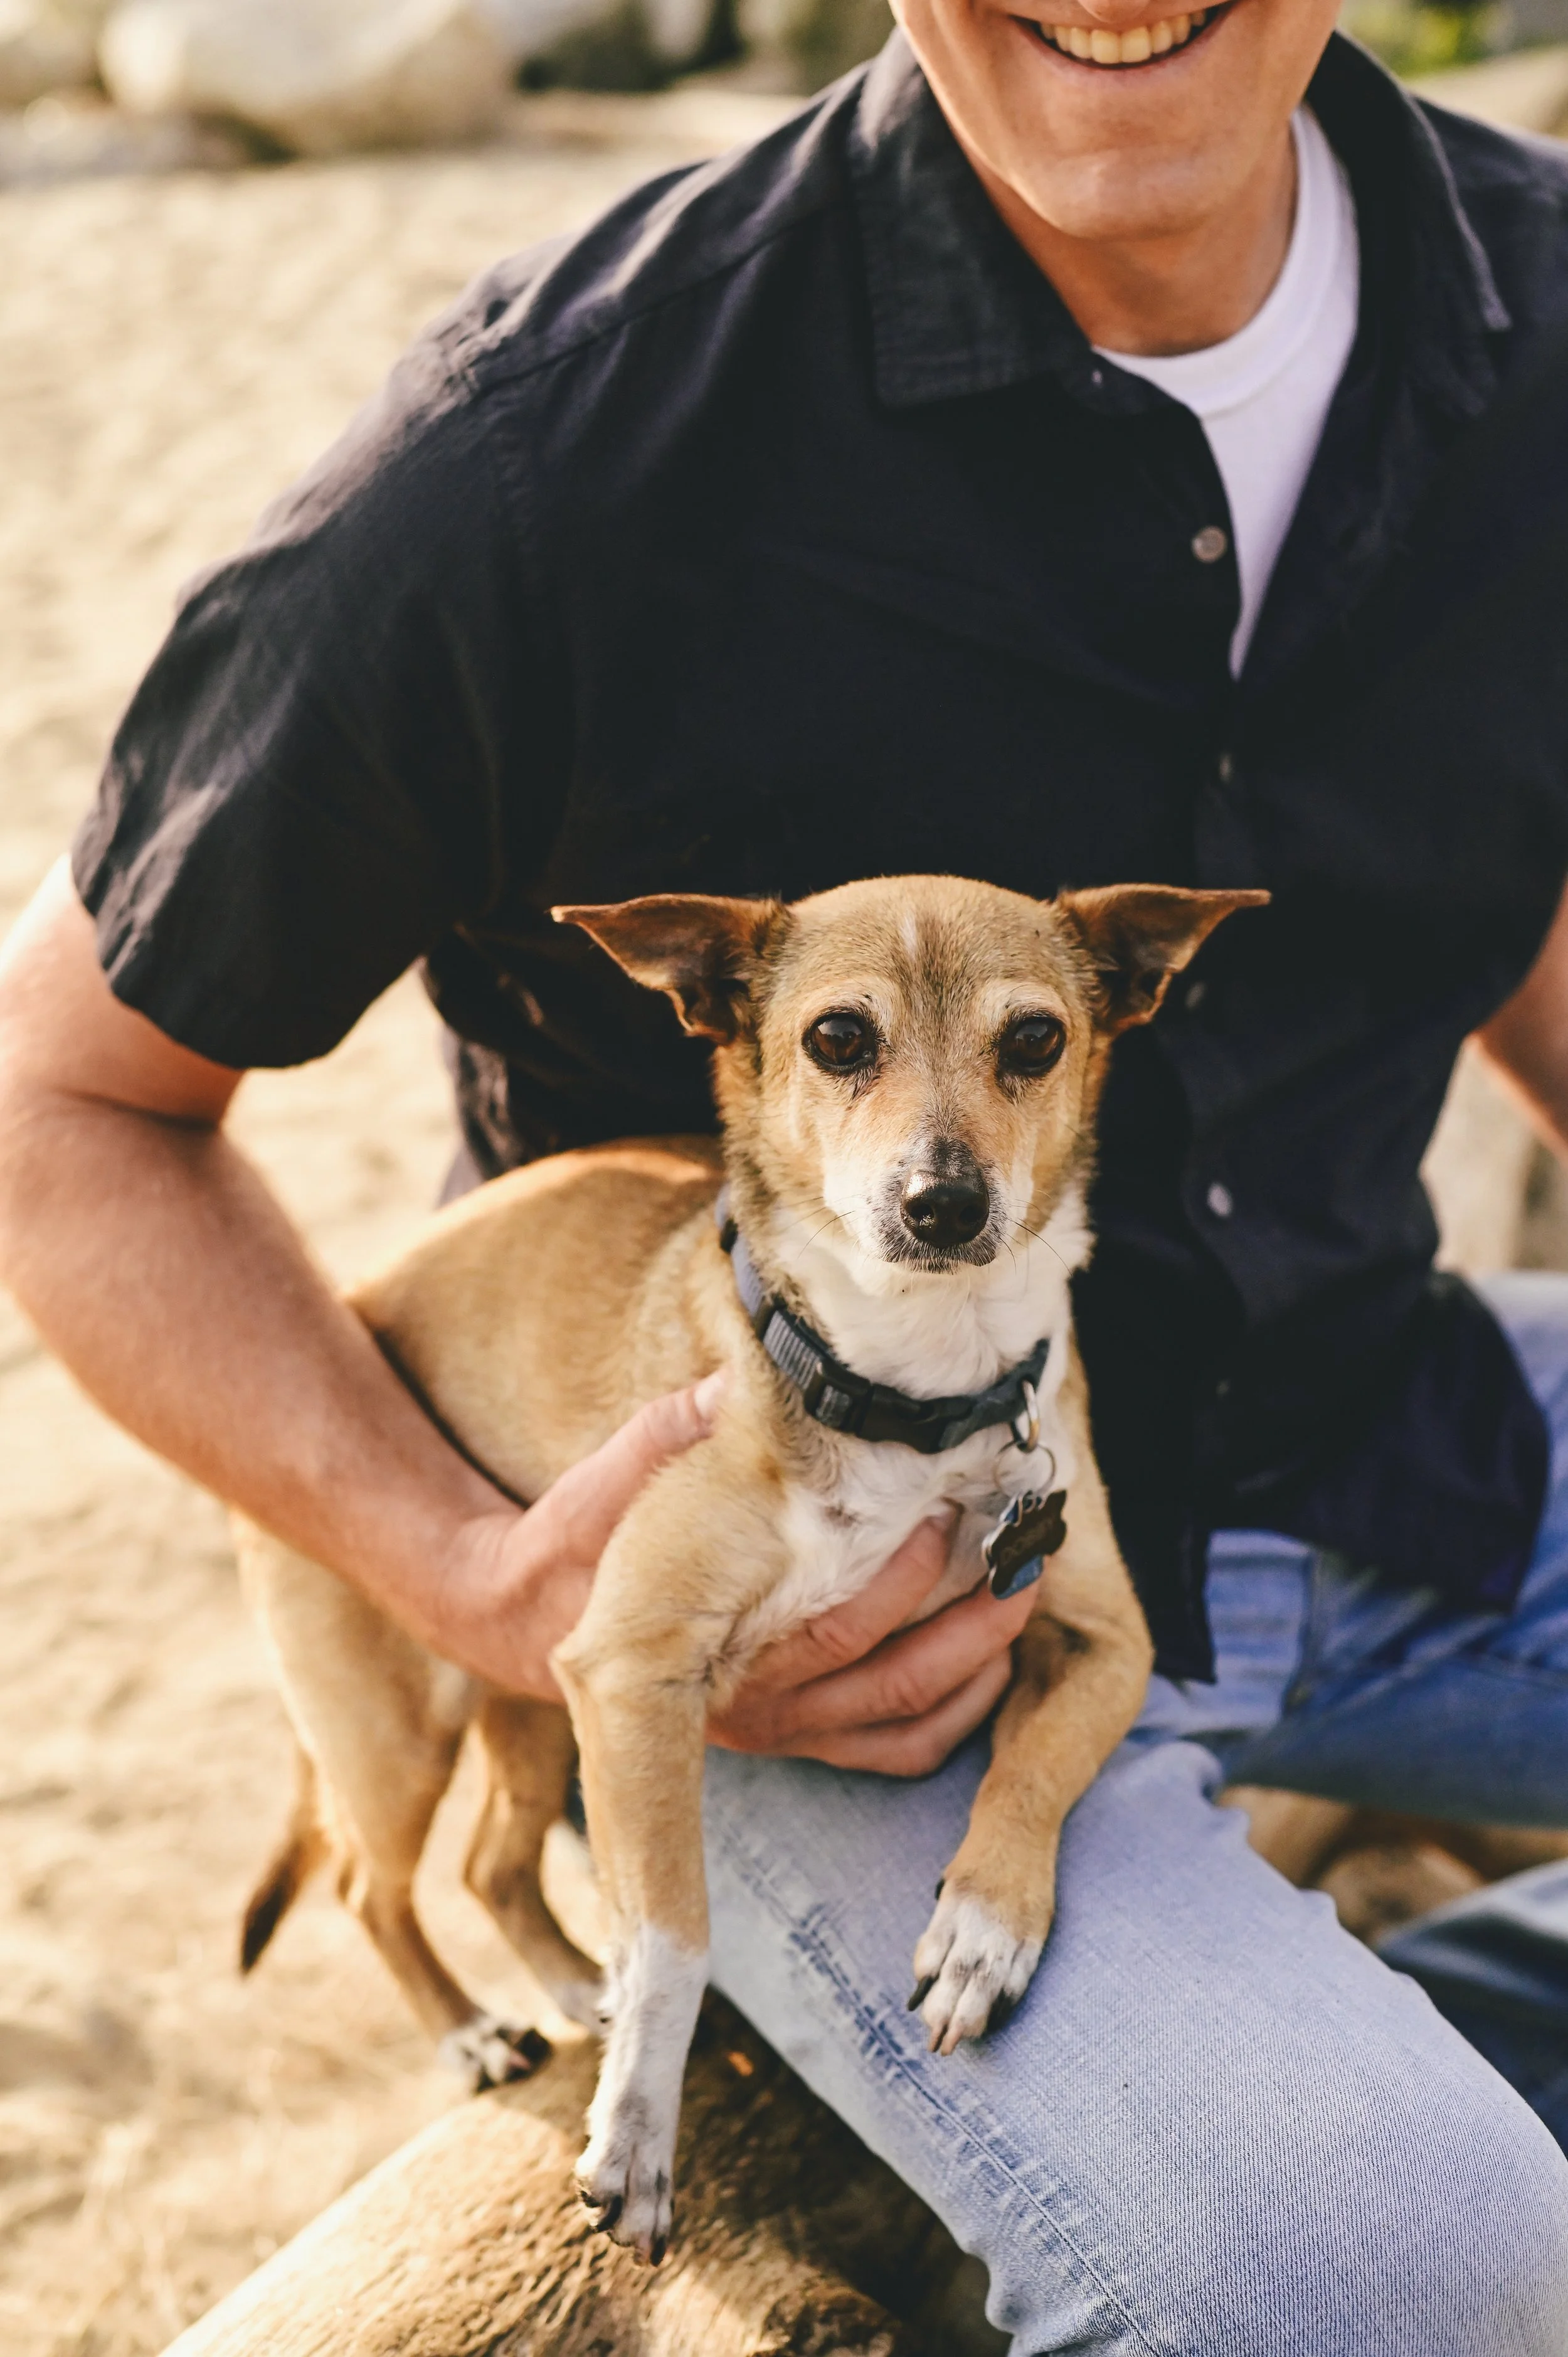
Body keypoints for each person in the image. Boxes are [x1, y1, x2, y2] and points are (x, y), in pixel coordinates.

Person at [3, 0, 1568, 2341]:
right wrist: (475, 1577)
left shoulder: (1533, 324)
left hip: (1393, 1431)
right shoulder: (543, 457)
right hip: (819, 1643)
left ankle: (1426, 1996)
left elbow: (1504, 877)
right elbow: (62, 1102)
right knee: (1396, 2264)